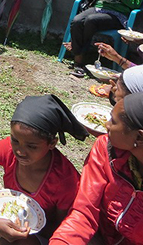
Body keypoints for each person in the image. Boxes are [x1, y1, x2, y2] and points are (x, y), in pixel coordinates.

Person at [0, 95, 89, 245]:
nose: (20, 151)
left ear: (52, 143)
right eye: (15, 140)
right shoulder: (7, 149)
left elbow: (62, 227)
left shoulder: (64, 179)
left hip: (40, 236)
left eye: (32, 146)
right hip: (8, 221)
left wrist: (23, 227)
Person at [50, 92, 143, 245]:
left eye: (113, 121)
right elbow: (84, 211)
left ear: (139, 138)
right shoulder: (106, 149)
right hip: (97, 236)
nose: (106, 125)